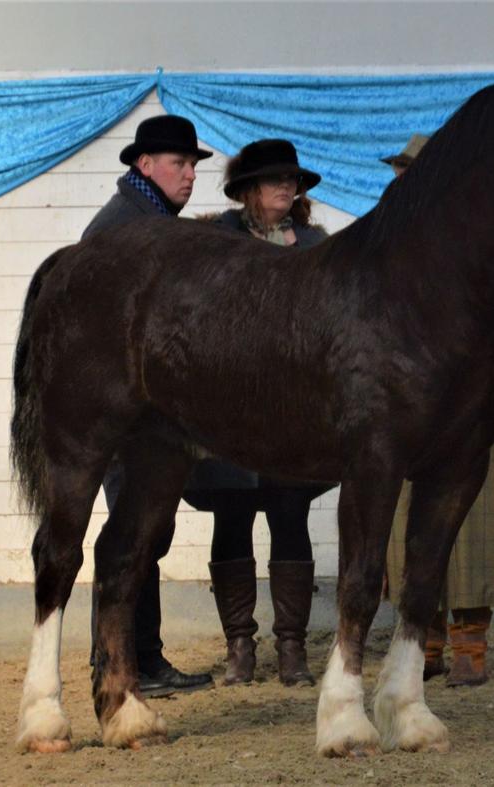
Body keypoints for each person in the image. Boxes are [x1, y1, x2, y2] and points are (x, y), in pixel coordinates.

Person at [381, 133, 494, 687]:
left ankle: (470, 639)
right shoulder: (391, 240)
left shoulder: (475, 240)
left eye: (408, 173)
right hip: (410, 401)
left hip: (466, 399)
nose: (399, 182)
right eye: (399, 173)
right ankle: (428, 638)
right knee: (409, 524)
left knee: (472, 525)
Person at [184, 138, 329, 687]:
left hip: (295, 408)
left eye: (293, 181)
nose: (287, 188)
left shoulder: (314, 243)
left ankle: (292, 649)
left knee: (290, 513)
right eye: (276, 180)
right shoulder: (215, 239)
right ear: (248, 190)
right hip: (230, 407)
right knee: (233, 512)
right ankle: (239, 648)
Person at [83, 114, 216, 697]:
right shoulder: (129, 229)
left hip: (135, 407)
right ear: (145, 166)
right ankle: (120, 662)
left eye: (192, 166)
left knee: (142, 532)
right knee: (132, 536)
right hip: (122, 409)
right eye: (179, 164)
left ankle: (143, 658)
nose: (190, 175)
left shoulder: (145, 220)